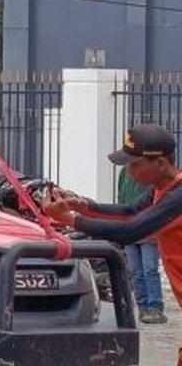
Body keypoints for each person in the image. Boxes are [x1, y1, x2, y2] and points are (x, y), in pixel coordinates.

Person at [45, 123, 182, 342]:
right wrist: (82, 205)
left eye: (135, 165)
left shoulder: (177, 197)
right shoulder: (161, 191)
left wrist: (71, 220)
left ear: (161, 163)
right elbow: (128, 212)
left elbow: (129, 232)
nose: (129, 172)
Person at [118, 164, 167, 323]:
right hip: (129, 229)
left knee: (149, 270)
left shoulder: (151, 174)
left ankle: (155, 308)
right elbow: (121, 199)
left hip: (148, 229)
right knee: (135, 272)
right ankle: (142, 307)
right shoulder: (124, 173)